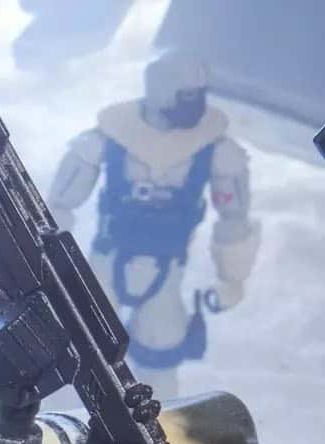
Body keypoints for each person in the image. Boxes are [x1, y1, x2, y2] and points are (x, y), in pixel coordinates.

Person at [49, 52, 259, 396]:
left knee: (161, 357)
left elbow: (234, 218)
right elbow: (59, 205)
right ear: (162, 90)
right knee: (83, 346)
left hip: (166, 270)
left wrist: (232, 278)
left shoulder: (216, 149)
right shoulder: (109, 137)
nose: (195, 103)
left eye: (198, 94)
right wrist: (48, 262)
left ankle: (155, 424)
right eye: (187, 95)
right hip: (107, 260)